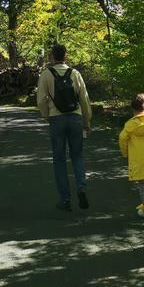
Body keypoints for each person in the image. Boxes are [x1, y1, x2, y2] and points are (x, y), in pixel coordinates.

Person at [37, 44, 92, 212]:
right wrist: (86, 120)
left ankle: (65, 200)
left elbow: (41, 100)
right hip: (75, 117)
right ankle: (81, 187)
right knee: (77, 156)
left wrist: (46, 115)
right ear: (65, 56)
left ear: (52, 56)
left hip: (56, 119)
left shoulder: (46, 75)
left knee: (59, 159)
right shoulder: (75, 74)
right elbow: (84, 99)